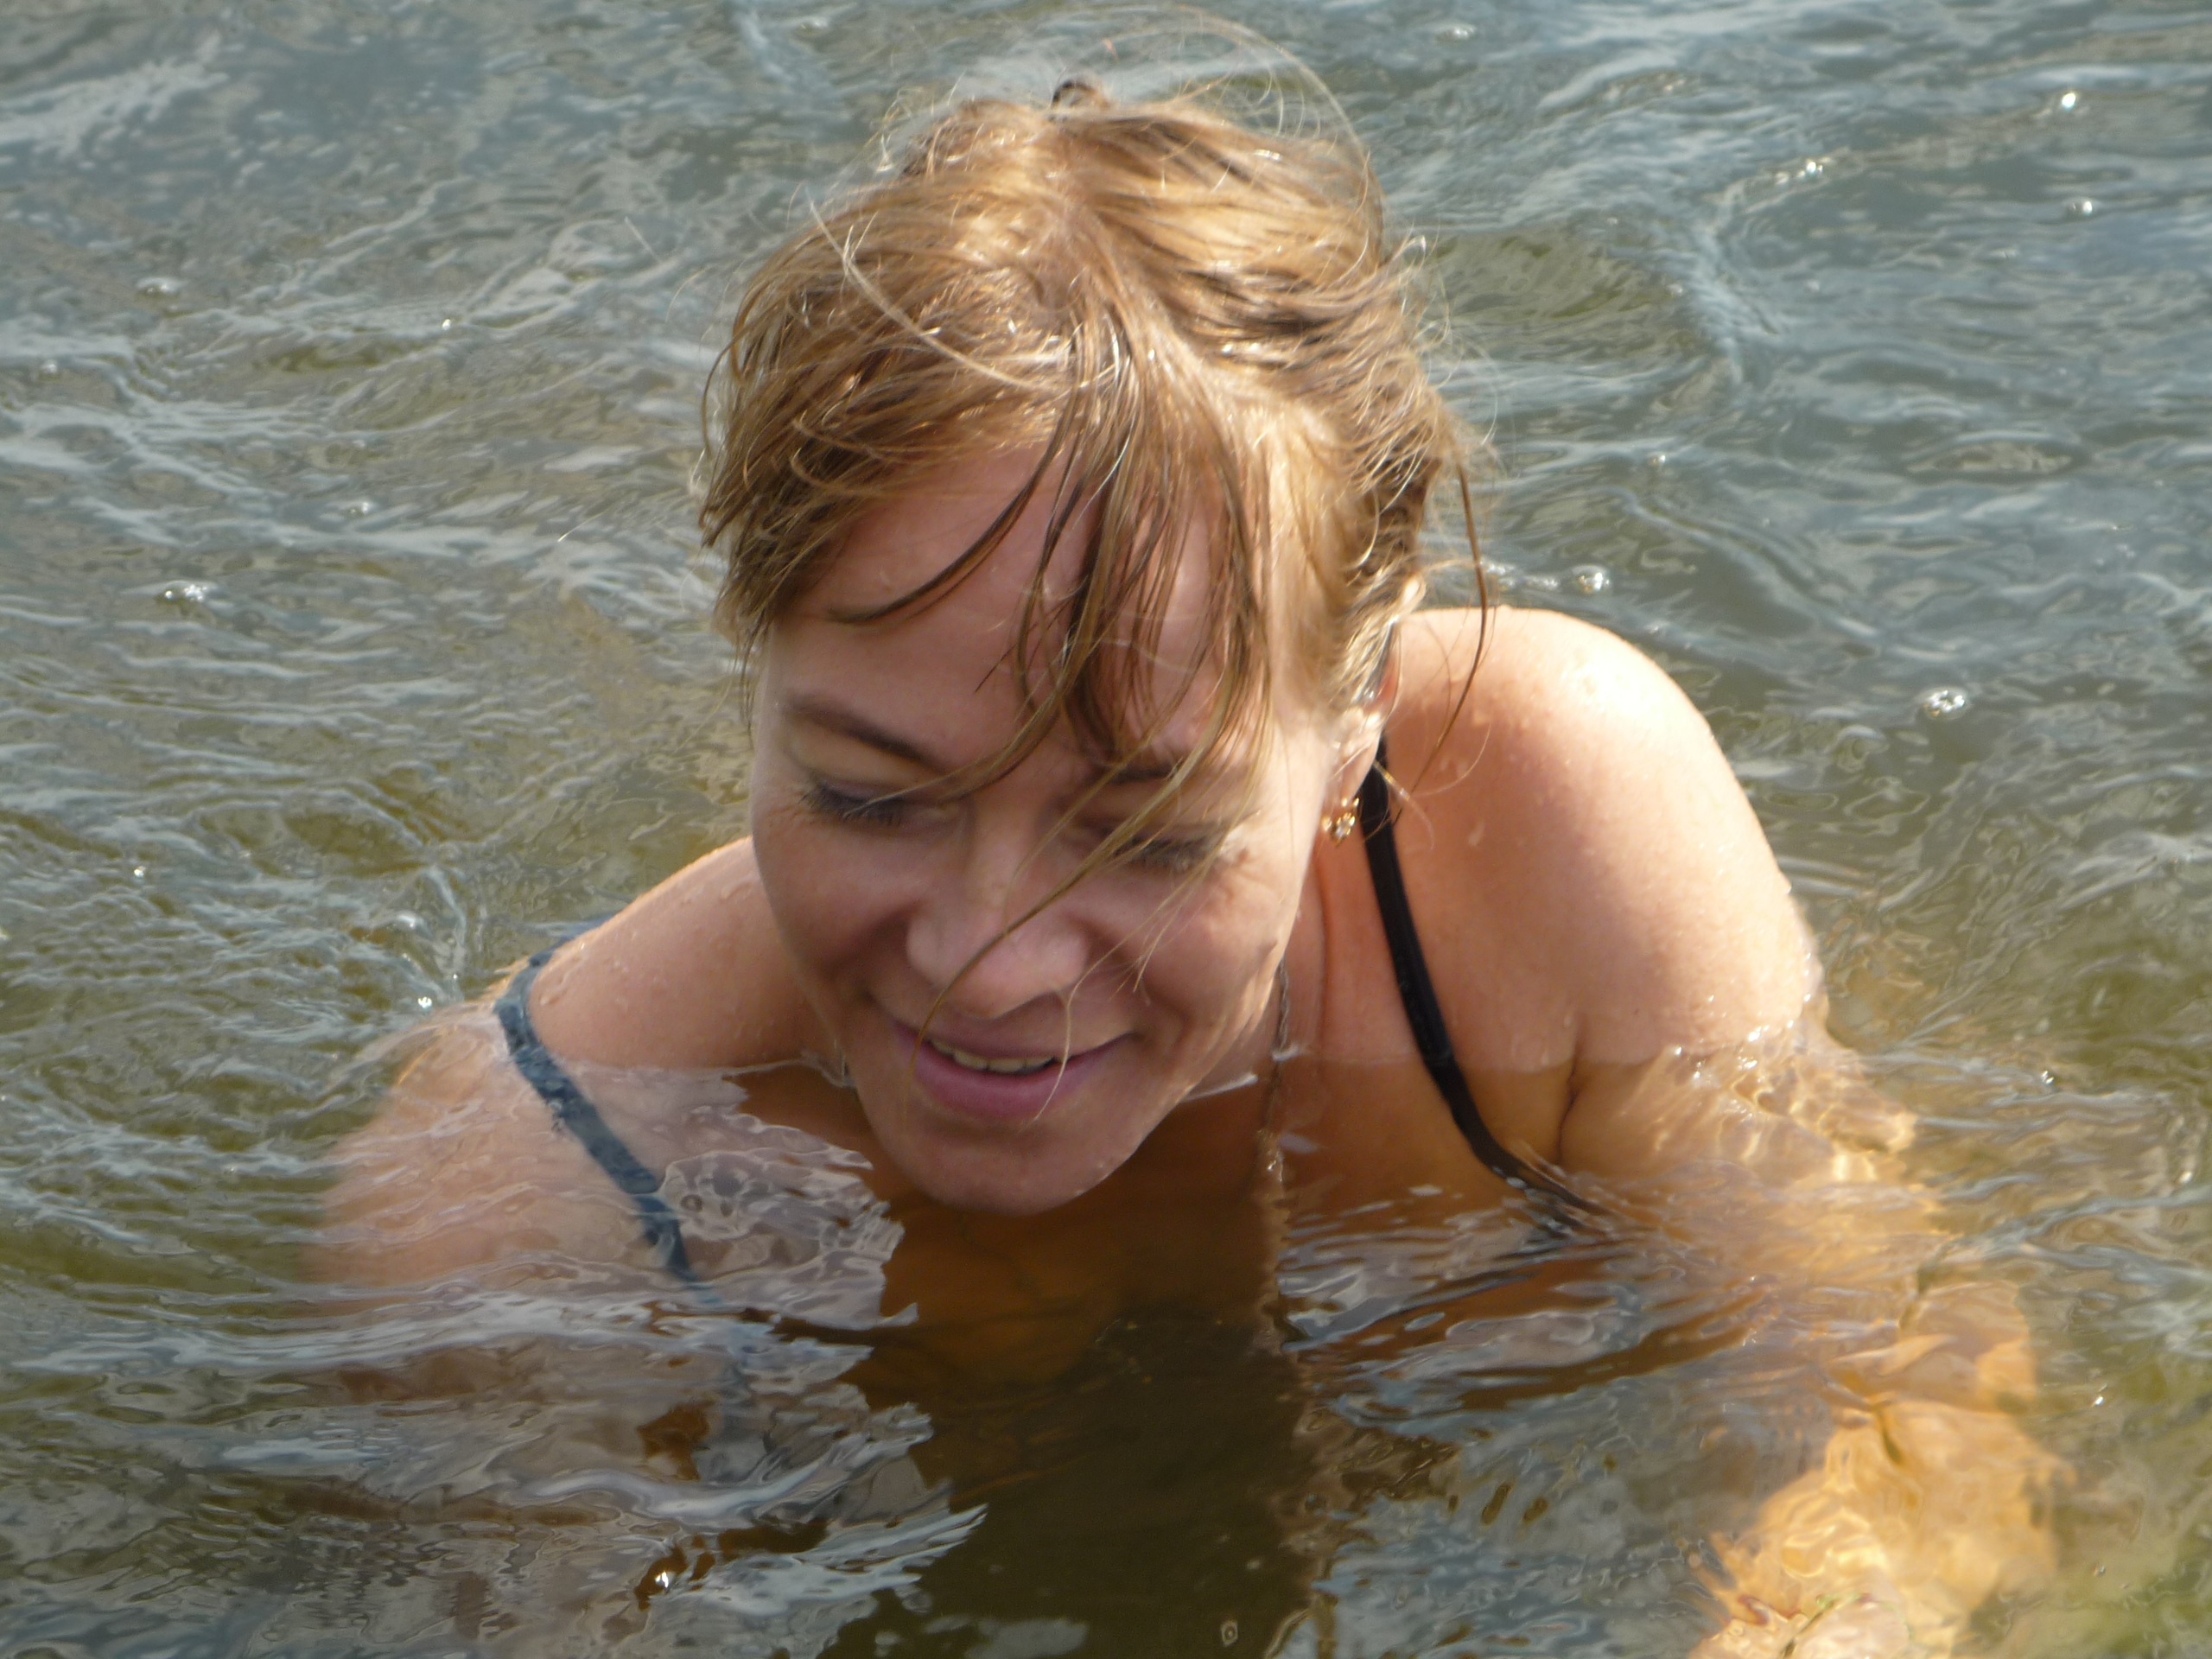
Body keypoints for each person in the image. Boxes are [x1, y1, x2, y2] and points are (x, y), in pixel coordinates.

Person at [318, 73, 2055, 1656]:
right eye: (872, 796)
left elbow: (1909, 1400)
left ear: (1357, 721)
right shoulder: (527, 1216)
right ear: (752, 679)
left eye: (1147, 829)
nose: (991, 961)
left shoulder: (1550, 833)